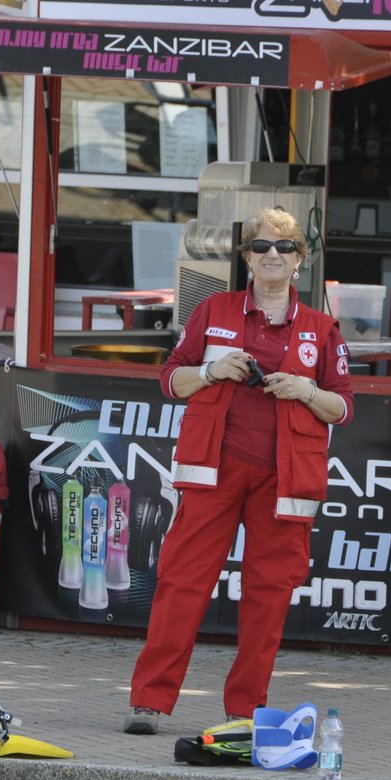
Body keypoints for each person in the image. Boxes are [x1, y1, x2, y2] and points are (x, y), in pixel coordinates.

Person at [125, 208, 355, 734]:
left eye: (285, 247)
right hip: (214, 469)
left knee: (268, 596)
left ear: (300, 260)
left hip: (284, 480)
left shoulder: (321, 330)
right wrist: (209, 371)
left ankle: (244, 710)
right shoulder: (213, 309)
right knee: (182, 583)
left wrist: (306, 390)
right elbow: (169, 379)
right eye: (261, 246)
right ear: (246, 257)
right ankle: (149, 703)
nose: (272, 255)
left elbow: (344, 407)